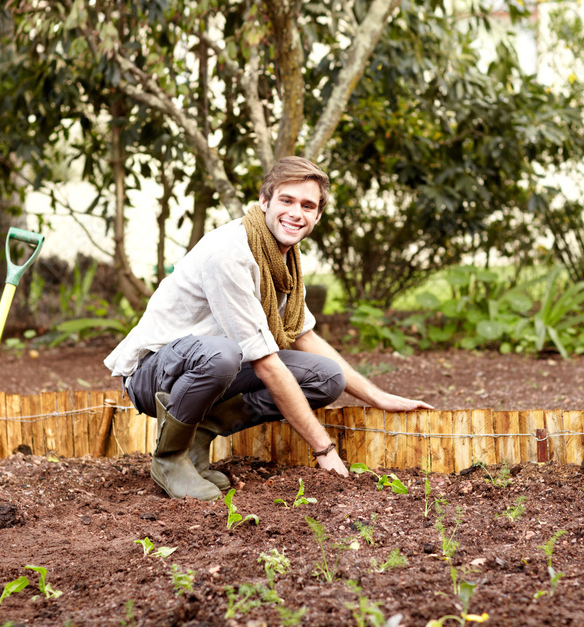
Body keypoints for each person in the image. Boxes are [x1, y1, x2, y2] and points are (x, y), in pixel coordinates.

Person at [104, 156, 432, 500]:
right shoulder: (230, 254)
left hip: (208, 366)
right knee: (225, 354)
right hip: (153, 373)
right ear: (264, 202)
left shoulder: (283, 261)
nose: (296, 213)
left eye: (308, 205)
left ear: (317, 216)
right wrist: (324, 450)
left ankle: (195, 439)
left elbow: (304, 336)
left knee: (326, 378)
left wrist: (379, 396)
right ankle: (169, 459)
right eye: (286, 201)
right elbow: (266, 363)